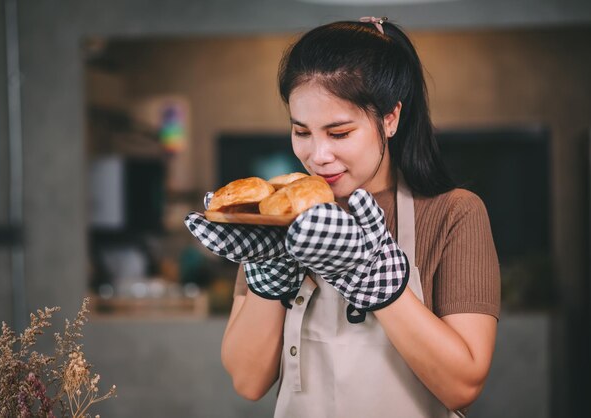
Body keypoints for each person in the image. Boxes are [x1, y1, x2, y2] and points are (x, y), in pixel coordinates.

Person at [185, 17, 500, 418]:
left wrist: (375, 278)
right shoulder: (277, 218)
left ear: (390, 118)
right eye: (302, 131)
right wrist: (269, 272)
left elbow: (463, 385)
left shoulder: (454, 213)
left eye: (339, 133)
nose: (317, 156)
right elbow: (248, 381)